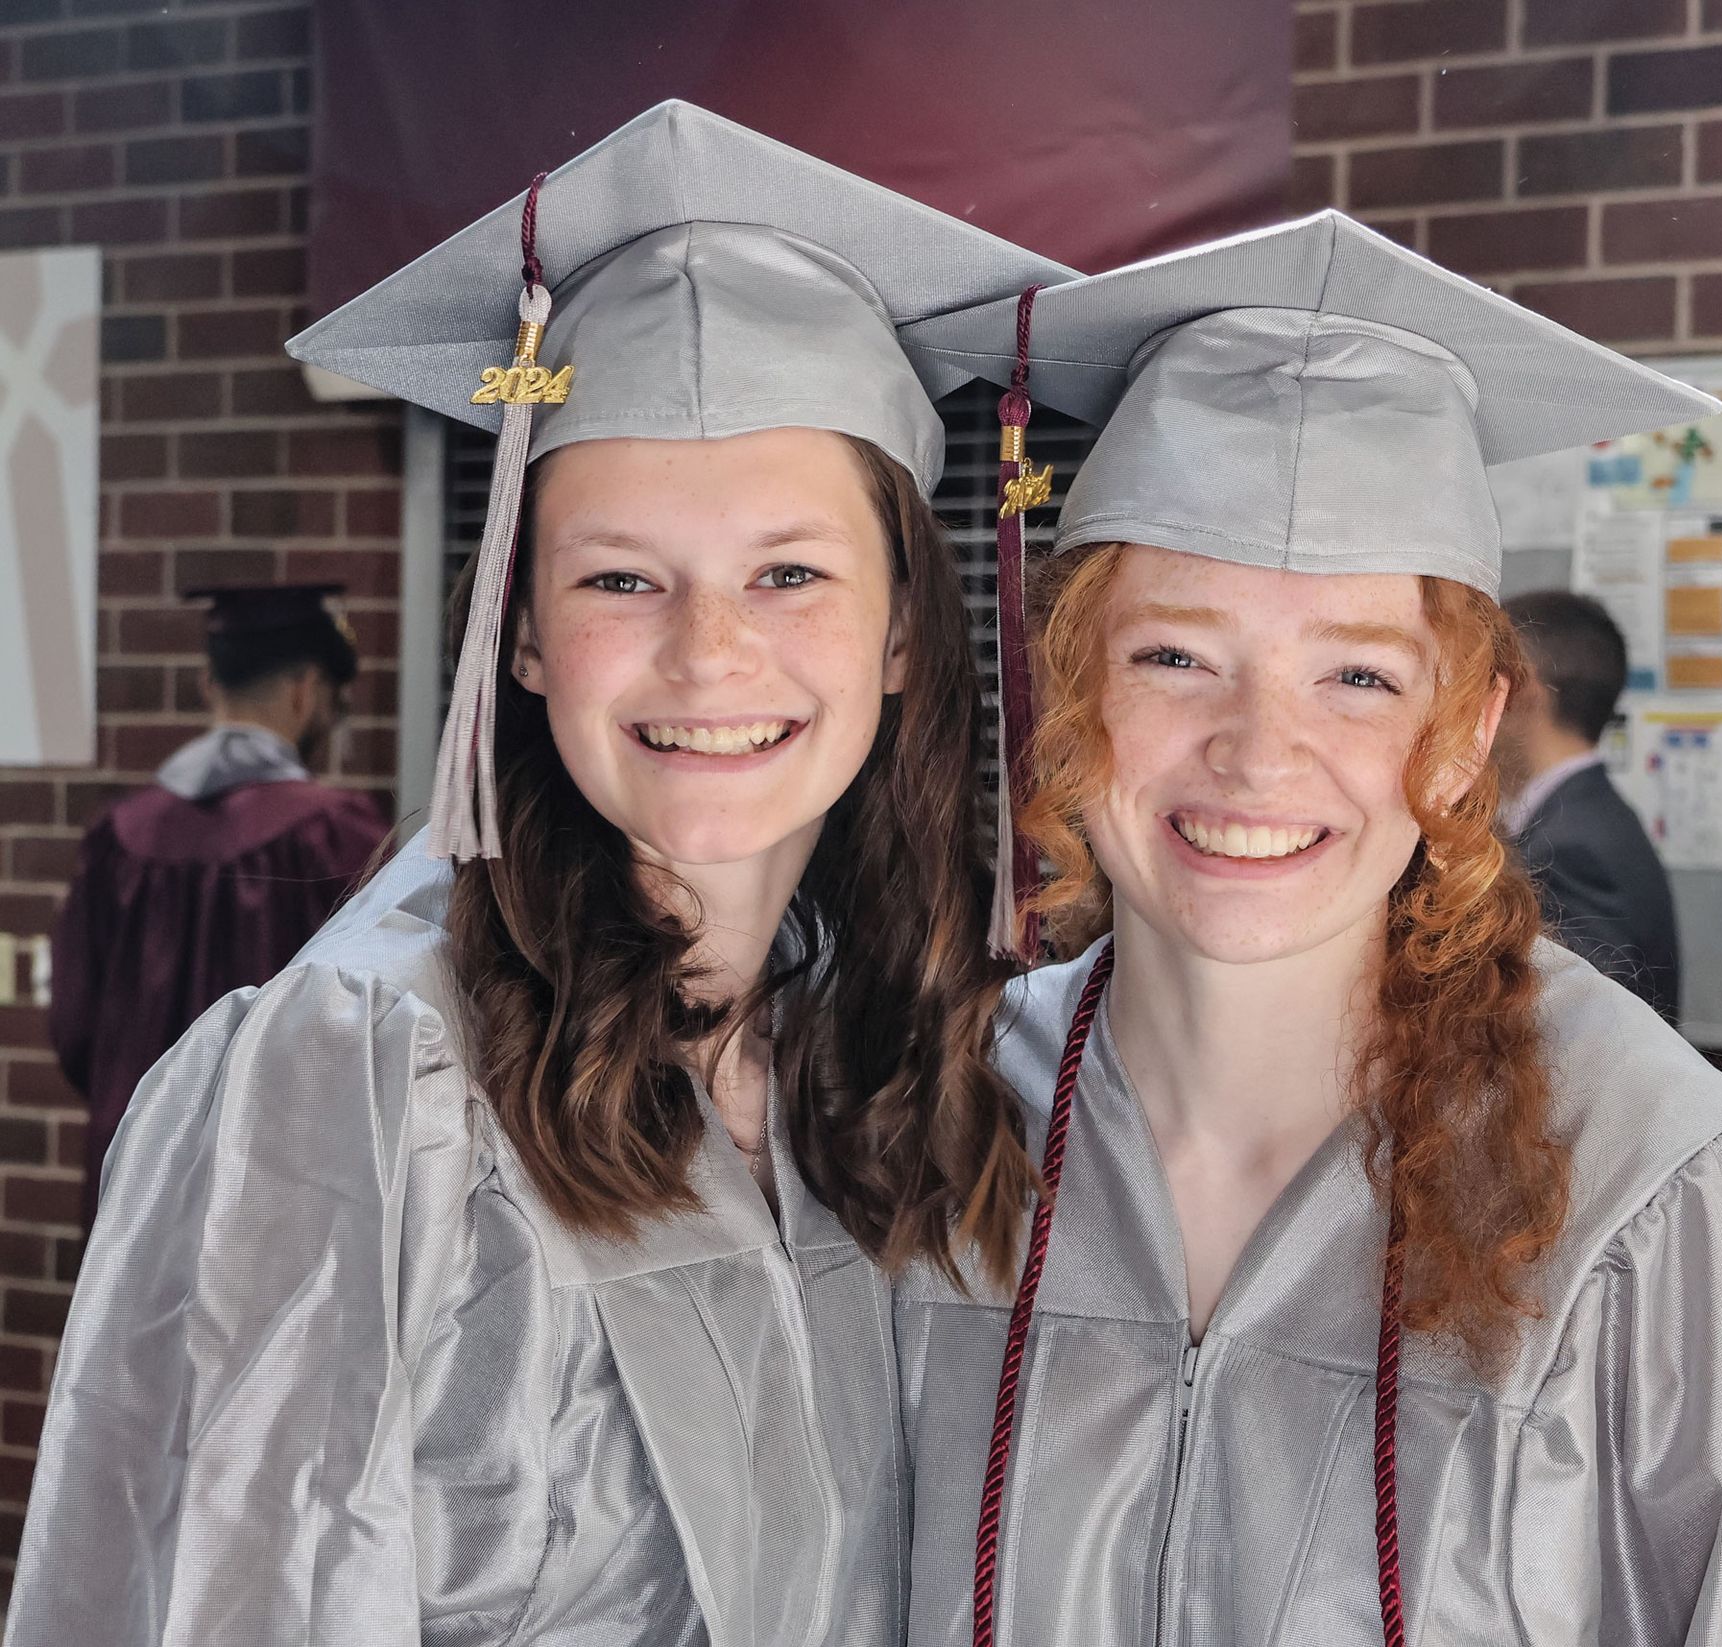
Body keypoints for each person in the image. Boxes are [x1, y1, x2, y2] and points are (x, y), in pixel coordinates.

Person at [7, 102, 1070, 1647]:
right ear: (518, 633)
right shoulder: (358, 1080)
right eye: (620, 577)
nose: (711, 651)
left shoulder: (895, 1053)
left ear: (905, 626)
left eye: (790, 572)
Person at [891, 211, 1722, 1644]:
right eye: (1175, 655)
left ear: (1463, 737)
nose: (1258, 751)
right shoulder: (931, 1134)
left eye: (1359, 678)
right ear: (1074, 700)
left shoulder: (1664, 1195)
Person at [49, 581, 387, 1228]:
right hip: (277, 1198)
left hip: (133, 1186)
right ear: (306, 691)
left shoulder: (118, 836)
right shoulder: (336, 835)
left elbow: (74, 1029)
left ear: (209, 685)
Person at [1498, 589, 1681, 1023]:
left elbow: (1575, 1035)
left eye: (1485, 681)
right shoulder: (1589, 819)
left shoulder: (1572, 849)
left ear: (1523, 693)